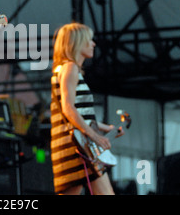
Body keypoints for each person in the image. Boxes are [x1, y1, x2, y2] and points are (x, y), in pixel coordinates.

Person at [50, 22, 124, 195]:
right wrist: (96, 136)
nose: (94, 44)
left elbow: (79, 113)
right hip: (76, 146)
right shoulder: (70, 68)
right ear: (77, 42)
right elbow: (68, 109)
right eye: (89, 40)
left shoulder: (64, 68)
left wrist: (107, 128)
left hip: (73, 145)